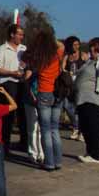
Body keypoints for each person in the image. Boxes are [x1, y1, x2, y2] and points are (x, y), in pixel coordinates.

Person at [25, 30, 65, 171]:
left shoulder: (39, 58)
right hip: (57, 92)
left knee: (46, 129)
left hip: (44, 92)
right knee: (55, 129)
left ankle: (49, 162)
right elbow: (61, 45)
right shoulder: (57, 54)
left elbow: (28, 70)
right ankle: (58, 160)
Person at [74, 38, 99, 163]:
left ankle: (96, 155)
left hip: (95, 98)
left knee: (94, 126)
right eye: (91, 47)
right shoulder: (89, 61)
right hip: (83, 98)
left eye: (94, 47)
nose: (91, 49)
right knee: (85, 127)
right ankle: (90, 151)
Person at [0, 25, 27, 152]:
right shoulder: (1, 50)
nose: (21, 37)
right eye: (19, 34)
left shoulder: (24, 49)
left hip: (22, 84)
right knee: (8, 116)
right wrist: (11, 73)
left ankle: (24, 143)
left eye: (22, 35)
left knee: (23, 114)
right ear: (12, 34)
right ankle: (4, 145)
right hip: (7, 84)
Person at [62, 36, 82, 140]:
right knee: (67, 105)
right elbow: (62, 68)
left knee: (79, 107)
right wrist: (66, 73)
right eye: (74, 44)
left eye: (78, 44)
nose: (76, 46)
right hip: (69, 85)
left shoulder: (83, 55)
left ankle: (81, 131)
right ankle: (76, 127)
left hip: (80, 85)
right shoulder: (66, 56)